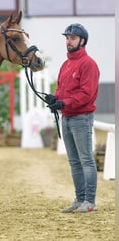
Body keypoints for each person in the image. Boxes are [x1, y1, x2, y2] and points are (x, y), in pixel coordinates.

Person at [45, 23, 100, 213]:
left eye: (72, 38)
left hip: (81, 118)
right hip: (67, 118)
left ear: (82, 41)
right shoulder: (66, 64)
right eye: (67, 38)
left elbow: (86, 93)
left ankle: (90, 201)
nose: (68, 42)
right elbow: (62, 89)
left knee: (86, 159)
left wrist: (64, 103)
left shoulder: (88, 64)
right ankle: (79, 199)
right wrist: (55, 97)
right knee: (74, 161)